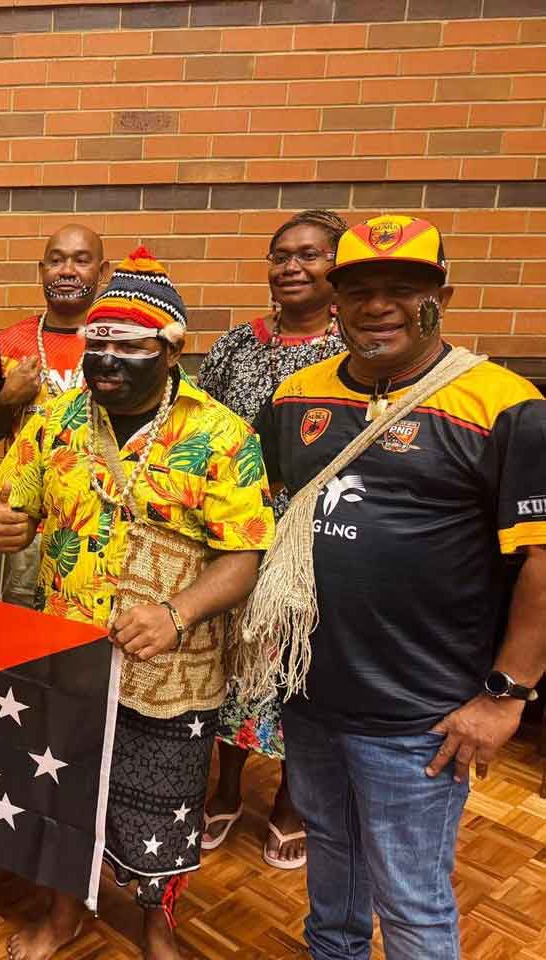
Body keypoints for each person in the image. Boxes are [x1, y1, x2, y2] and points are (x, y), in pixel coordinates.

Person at [247, 215, 546, 960]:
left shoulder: (504, 405)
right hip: (312, 696)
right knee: (332, 865)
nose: (378, 306)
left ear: (442, 295)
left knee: (411, 901)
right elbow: (248, 502)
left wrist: (505, 694)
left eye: (403, 290)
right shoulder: (297, 396)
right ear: (335, 299)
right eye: (360, 291)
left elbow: (543, 563)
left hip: (422, 713)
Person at [0, 248, 275, 960]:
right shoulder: (54, 420)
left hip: (170, 666)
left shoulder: (220, 435)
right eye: (98, 343)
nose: (108, 359)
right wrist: (6, 522)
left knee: (165, 805)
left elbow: (245, 556)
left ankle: (157, 924)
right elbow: (8, 506)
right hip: (67, 653)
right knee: (64, 792)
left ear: (171, 350)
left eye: (131, 346)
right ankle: (63, 914)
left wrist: (176, 613)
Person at [195, 209, 348, 870]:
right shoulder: (238, 344)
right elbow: (198, 421)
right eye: (281, 254)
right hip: (236, 526)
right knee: (234, 660)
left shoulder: (358, 349)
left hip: (318, 534)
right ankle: (226, 786)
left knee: (297, 666)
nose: (291, 266)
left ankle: (292, 799)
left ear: (339, 267)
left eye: (310, 255)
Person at [0, 223, 109, 607]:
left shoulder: (117, 344)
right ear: (41, 271)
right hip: (23, 521)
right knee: (19, 637)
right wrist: (6, 399)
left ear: (103, 272)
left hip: (94, 519)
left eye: (81, 261)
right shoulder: (9, 342)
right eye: (56, 261)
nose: (67, 270)